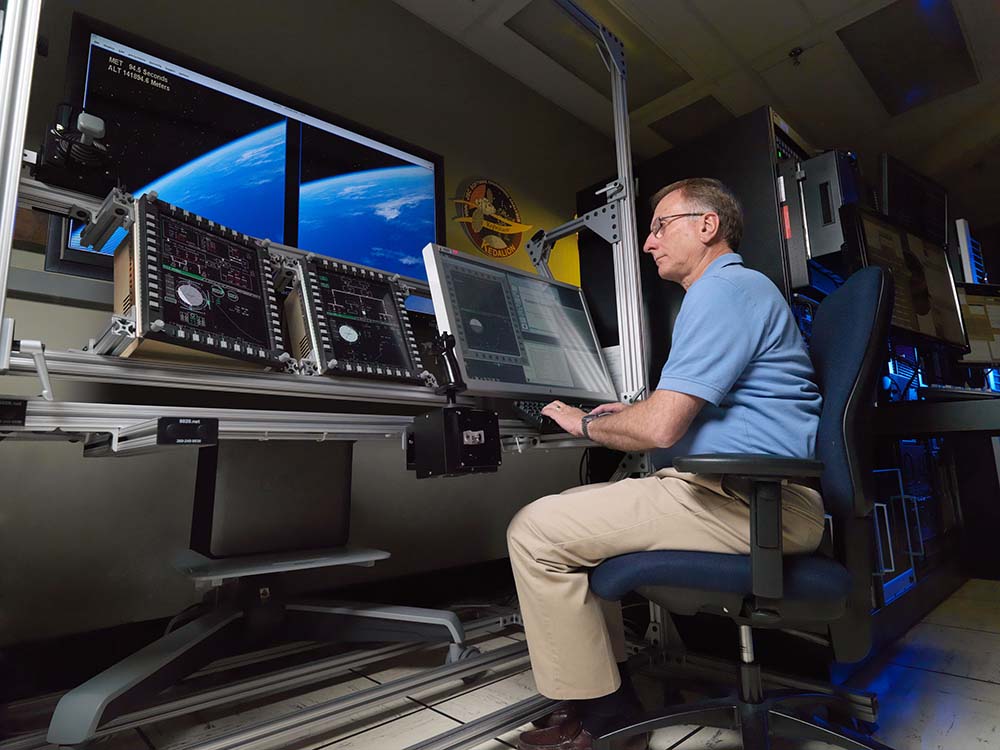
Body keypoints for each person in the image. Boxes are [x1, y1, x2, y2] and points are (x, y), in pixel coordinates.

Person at [508, 178, 826, 750]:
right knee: (566, 518)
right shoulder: (737, 291)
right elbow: (678, 408)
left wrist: (583, 423)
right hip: (747, 494)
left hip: (754, 502)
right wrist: (628, 411)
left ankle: (608, 722)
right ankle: (602, 698)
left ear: (707, 226)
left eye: (660, 226)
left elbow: (661, 429)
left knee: (534, 532)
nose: (649, 243)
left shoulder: (723, 291)